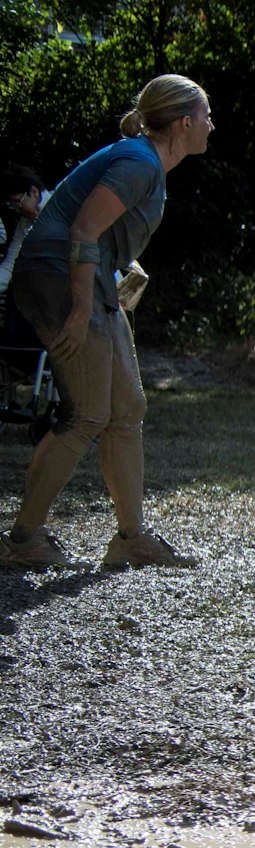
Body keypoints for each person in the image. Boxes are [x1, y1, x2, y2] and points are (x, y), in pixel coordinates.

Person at [1, 76, 212, 571]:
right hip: (60, 279)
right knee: (88, 413)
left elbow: (97, 230)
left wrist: (121, 272)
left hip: (88, 280)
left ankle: (132, 539)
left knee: (127, 408)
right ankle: (22, 540)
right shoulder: (139, 162)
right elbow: (83, 230)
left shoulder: (146, 163)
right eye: (206, 115)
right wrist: (79, 311)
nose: (211, 124)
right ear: (184, 123)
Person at [0, 164, 45, 306]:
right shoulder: (24, 224)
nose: (15, 209)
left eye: (17, 202)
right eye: (11, 204)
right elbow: (11, 262)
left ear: (34, 192)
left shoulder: (59, 211)